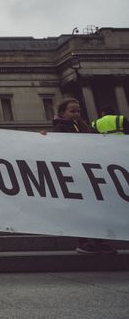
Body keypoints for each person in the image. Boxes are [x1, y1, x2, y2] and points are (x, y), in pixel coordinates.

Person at [50, 98, 117, 254]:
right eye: (72, 111)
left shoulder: (85, 127)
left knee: (97, 208)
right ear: (62, 113)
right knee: (81, 209)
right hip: (74, 174)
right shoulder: (60, 128)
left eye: (78, 111)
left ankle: (99, 241)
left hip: (90, 173)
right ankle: (83, 241)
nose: (76, 114)